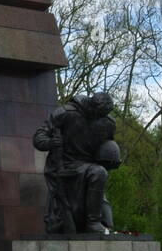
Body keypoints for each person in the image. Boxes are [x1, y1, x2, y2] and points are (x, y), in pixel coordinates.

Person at [33, 91, 121, 235]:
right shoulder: (65, 113)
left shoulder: (108, 123)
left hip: (90, 165)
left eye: (103, 115)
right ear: (92, 106)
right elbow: (38, 137)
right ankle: (92, 222)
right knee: (98, 172)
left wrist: (112, 157)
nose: (100, 118)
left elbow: (107, 145)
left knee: (99, 172)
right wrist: (50, 142)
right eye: (98, 114)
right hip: (66, 165)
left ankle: (94, 222)